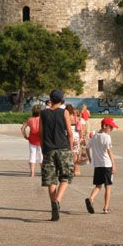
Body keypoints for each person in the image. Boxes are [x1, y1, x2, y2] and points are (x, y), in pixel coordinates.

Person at [40, 90, 74, 221]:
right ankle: (57, 201)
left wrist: (44, 149)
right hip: (63, 148)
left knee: (51, 180)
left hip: (48, 149)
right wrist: (71, 150)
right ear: (61, 100)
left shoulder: (43, 113)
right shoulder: (64, 112)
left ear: (50, 99)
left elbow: (41, 134)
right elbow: (69, 132)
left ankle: (53, 204)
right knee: (65, 177)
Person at [85, 117, 118, 214]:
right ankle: (106, 208)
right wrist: (114, 165)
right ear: (104, 126)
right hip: (107, 165)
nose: (111, 129)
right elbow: (109, 152)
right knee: (108, 186)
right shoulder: (106, 137)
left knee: (98, 185)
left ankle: (91, 198)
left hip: (98, 165)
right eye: (110, 127)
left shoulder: (94, 136)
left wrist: (90, 158)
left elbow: (87, 147)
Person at [20, 104, 43, 177]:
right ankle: (43, 172)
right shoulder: (42, 119)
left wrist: (25, 136)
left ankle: (32, 173)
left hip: (32, 139)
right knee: (41, 156)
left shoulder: (29, 119)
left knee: (32, 155)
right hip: (41, 139)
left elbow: (22, 128)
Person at [66, 103, 83, 176]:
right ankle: (77, 170)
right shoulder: (76, 117)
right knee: (75, 153)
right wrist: (81, 137)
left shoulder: (66, 117)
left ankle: (72, 169)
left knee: (70, 153)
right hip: (76, 135)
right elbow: (80, 128)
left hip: (69, 135)